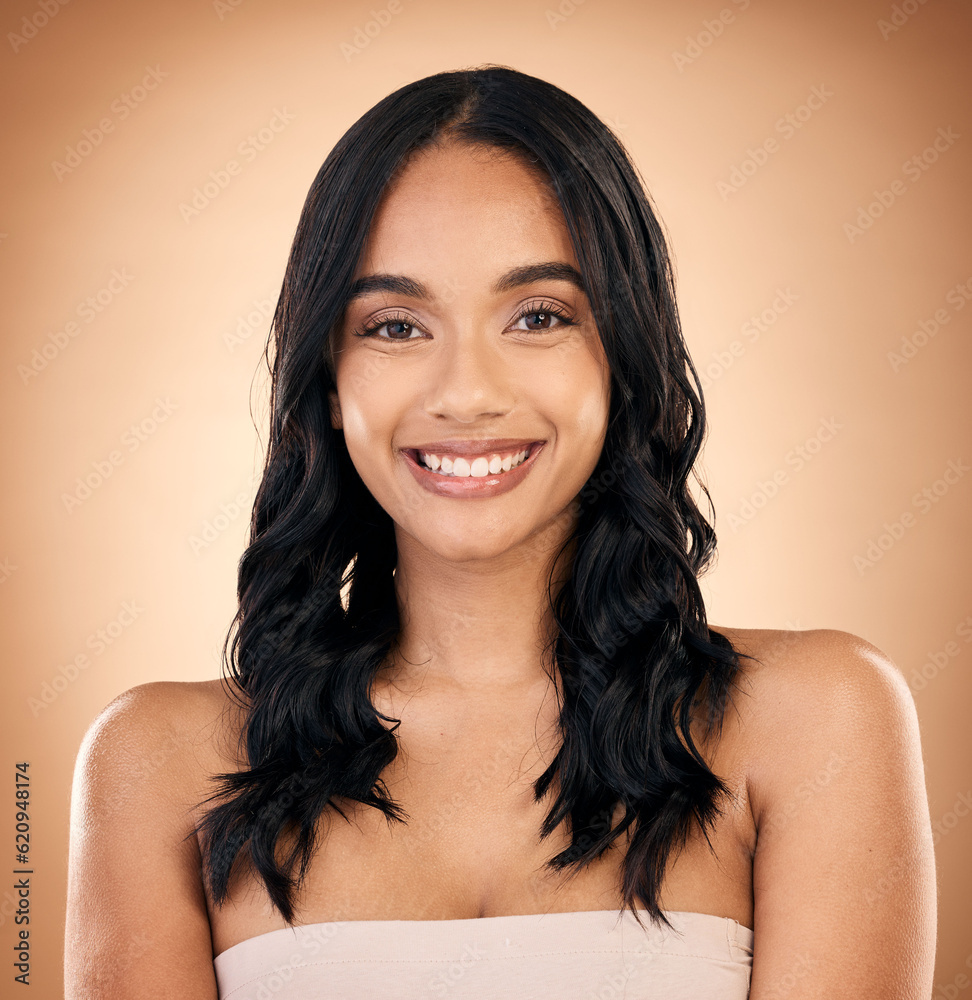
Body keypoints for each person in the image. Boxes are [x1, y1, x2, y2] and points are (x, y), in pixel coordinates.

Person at [64, 65, 937, 999]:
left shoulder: (821, 720)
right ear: (330, 381)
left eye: (538, 316)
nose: (467, 392)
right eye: (396, 325)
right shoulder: (157, 762)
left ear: (623, 357)